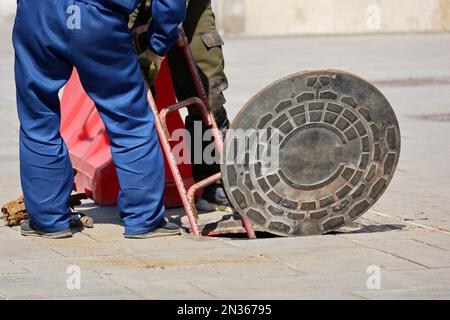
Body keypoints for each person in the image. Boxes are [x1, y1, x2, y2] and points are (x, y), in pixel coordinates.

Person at [13, 0, 185, 239]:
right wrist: (157, 45)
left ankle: (48, 220)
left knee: (37, 117)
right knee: (129, 120)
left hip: (39, 14)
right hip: (98, 18)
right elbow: (171, 4)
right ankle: (144, 218)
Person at [130, 0, 234, 214]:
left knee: (208, 99)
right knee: (132, 99)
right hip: (131, 8)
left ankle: (213, 184)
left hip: (191, 13)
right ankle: (140, 199)